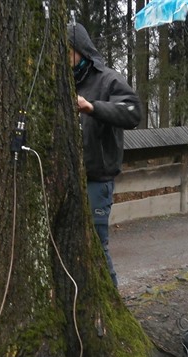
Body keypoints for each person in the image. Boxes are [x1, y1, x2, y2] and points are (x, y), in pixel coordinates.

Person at [67, 22, 141, 288]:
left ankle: (110, 297)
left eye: (69, 50)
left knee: (97, 242)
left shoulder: (107, 79)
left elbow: (133, 112)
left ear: (81, 50)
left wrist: (93, 108)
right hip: (66, 178)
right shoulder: (62, 81)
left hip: (98, 178)